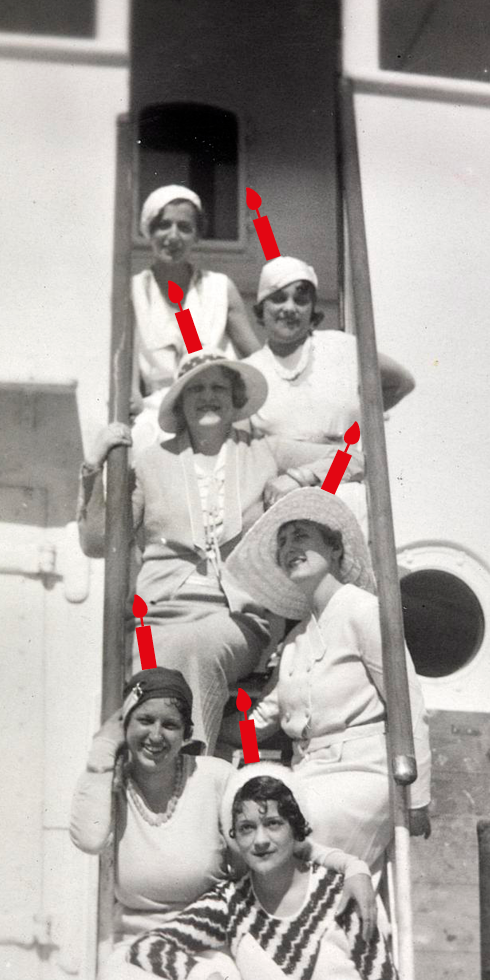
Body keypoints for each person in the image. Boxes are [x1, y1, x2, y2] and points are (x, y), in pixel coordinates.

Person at [70, 670, 377, 980]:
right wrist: (103, 754)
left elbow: (270, 843)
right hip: (137, 945)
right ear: (125, 725)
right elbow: (88, 837)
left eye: (170, 725)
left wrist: (350, 865)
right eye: (144, 721)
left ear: (185, 734)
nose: (156, 735)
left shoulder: (213, 777)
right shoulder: (113, 783)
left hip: (210, 943)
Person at [128, 765, 429, 980]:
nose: (260, 840)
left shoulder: (340, 894)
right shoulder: (230, 903)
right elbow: (147, 947)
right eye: (246, 828)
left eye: (273, 824)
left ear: (295, 829)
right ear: (235, 839)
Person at [78, 352, 333, 751]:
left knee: (188, 648)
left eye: (218, 387)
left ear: (235, 400)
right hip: (159, 613)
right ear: (180, 404)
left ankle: (186, 764)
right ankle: (160, 773)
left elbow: (353, 457)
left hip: (235, 617)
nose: (208, 396)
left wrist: (301, 476)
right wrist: (92, 469)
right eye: (195, 388)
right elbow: (98, 544)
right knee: (154, 656)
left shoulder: (265, 451)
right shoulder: (151, 463)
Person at [225, 488, 431, 871]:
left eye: (301, 535)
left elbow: (408, 703)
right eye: (283, 542)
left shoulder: (363, 611)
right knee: (248, 826)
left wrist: (417, 797)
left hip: (363, 776)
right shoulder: (295, 640)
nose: (290, 547)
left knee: (280, 835)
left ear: (335, 548)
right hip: (309, 775)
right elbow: (261, 720)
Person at [245, 256, 415, 532]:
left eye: (300, 300)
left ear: (312, 309)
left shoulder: (342, 348)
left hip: (344, 478)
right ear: (262, 307)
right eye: (278, 298)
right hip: (280, 496)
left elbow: (402, 382)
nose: (289, 308)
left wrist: (362, 422)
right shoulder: (250, 371)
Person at [131, 184, 260, 450]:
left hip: (217, 409)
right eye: (164, 225)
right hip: (158, 413)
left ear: (197, 235)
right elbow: (127, 374)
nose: (173, 236)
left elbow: (257, 361)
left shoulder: (219, 288)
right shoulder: (133, 291)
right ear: (148, 231)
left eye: (185, 227)